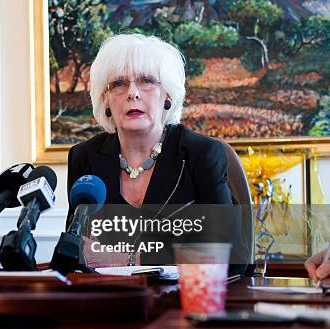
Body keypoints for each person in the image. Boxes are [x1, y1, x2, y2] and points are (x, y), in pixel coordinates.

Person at [67, 34, 247, 268]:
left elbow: (232, 254)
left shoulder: (201, 155)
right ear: (106, 99)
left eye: (147, 81)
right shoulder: (83, 157)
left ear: (168, 96)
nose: (133, 93)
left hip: (181, 300)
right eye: (119, 84)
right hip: (108, 299)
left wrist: (131, 259)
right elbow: (73, 249)